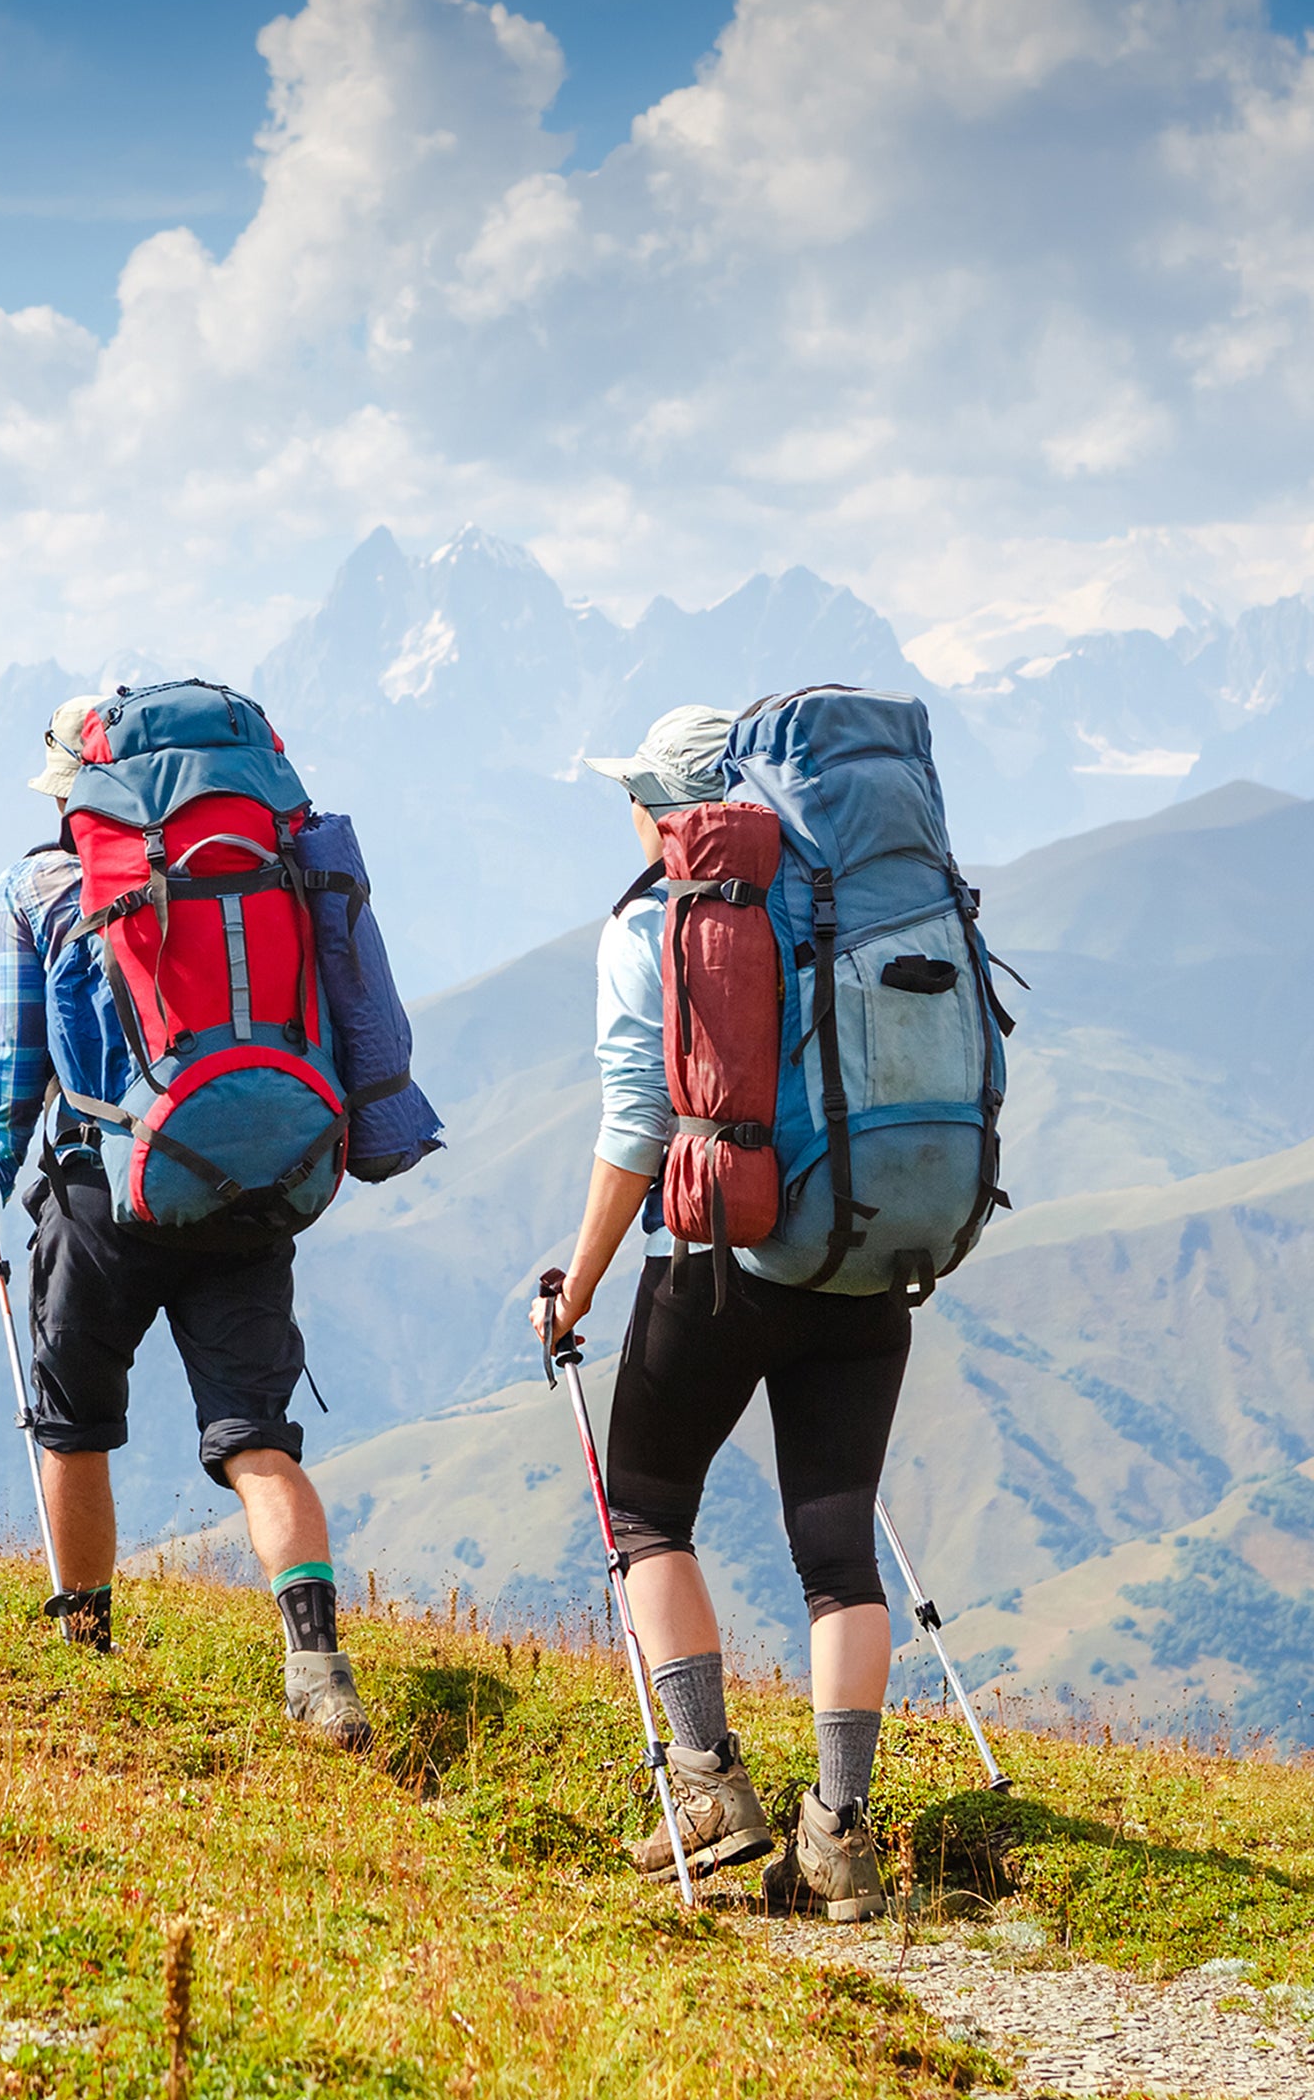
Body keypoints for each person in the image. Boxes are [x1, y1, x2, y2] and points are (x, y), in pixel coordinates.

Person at [532, 703, 908, 1920]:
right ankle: (840, 1838)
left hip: (719, 1262)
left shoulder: (660, 919)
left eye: (636, 797)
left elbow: (639, 1123)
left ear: (670, 809)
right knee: (836, 1552)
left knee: (642, 1507)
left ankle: (707, 1785)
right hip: (864, 1257)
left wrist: (578, 1280)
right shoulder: (855, 898)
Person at [0, 695, 372, 1747]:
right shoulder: (272, 861)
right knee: (256, 1439)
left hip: (102, 1194)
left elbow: (15, 1066)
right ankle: (315, 1664)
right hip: (251, 1180)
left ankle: (84, 1643)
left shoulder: (36, 887)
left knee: (73, 1422)